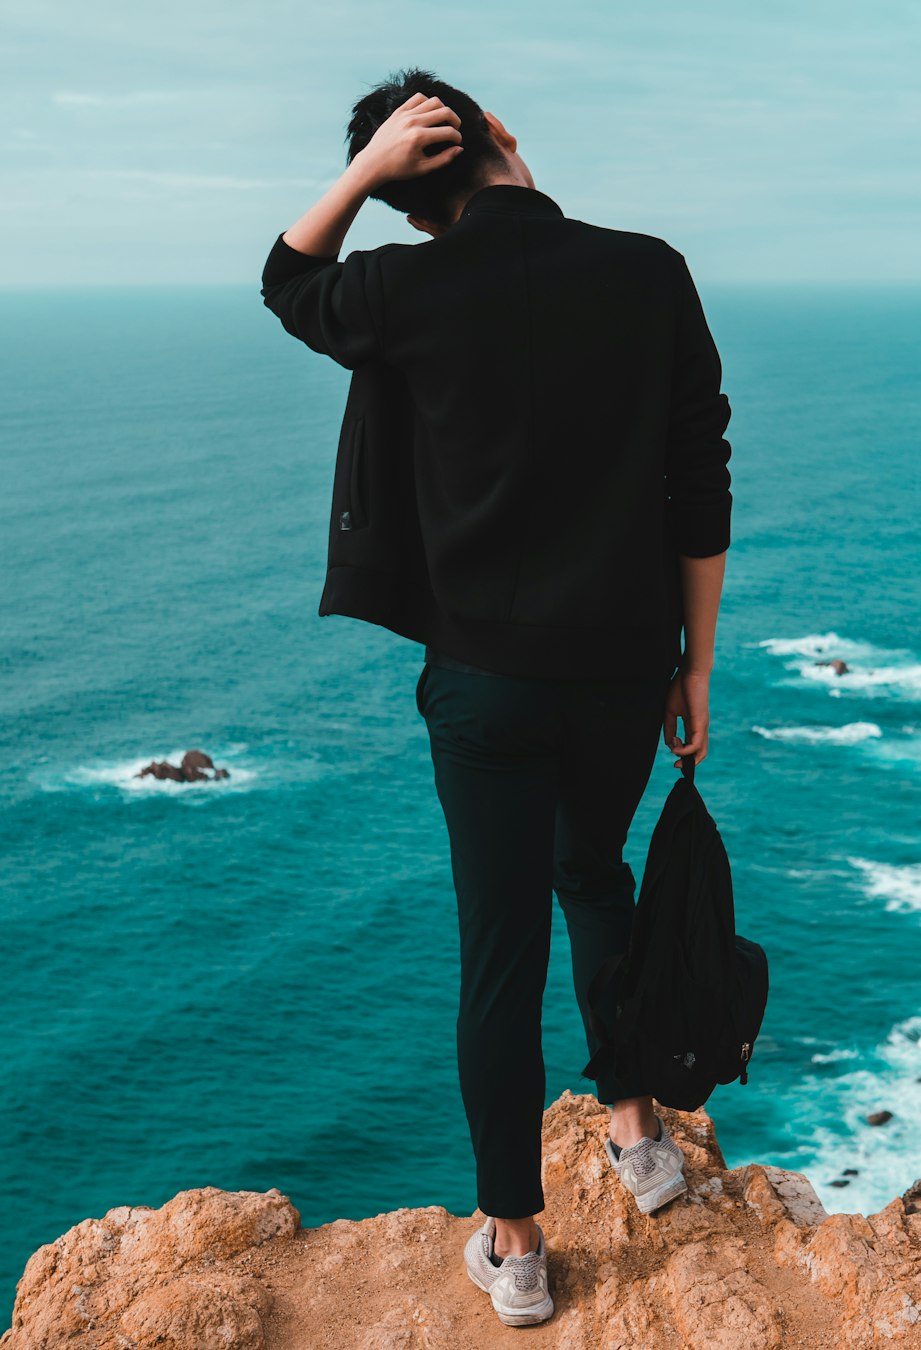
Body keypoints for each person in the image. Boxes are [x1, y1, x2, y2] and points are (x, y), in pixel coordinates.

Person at [260, 66, 731, 1329]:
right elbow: (700, 474)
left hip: (482, 683)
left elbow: (286, 281)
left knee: (499, 953)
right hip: (623, 671)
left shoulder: (408, 287)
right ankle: (638, 1133)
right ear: (505, 138)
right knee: (597, 879)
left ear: (412, 200)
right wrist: (694, 664)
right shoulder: (649, 271)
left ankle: (516, 1248)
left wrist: (363, 176)